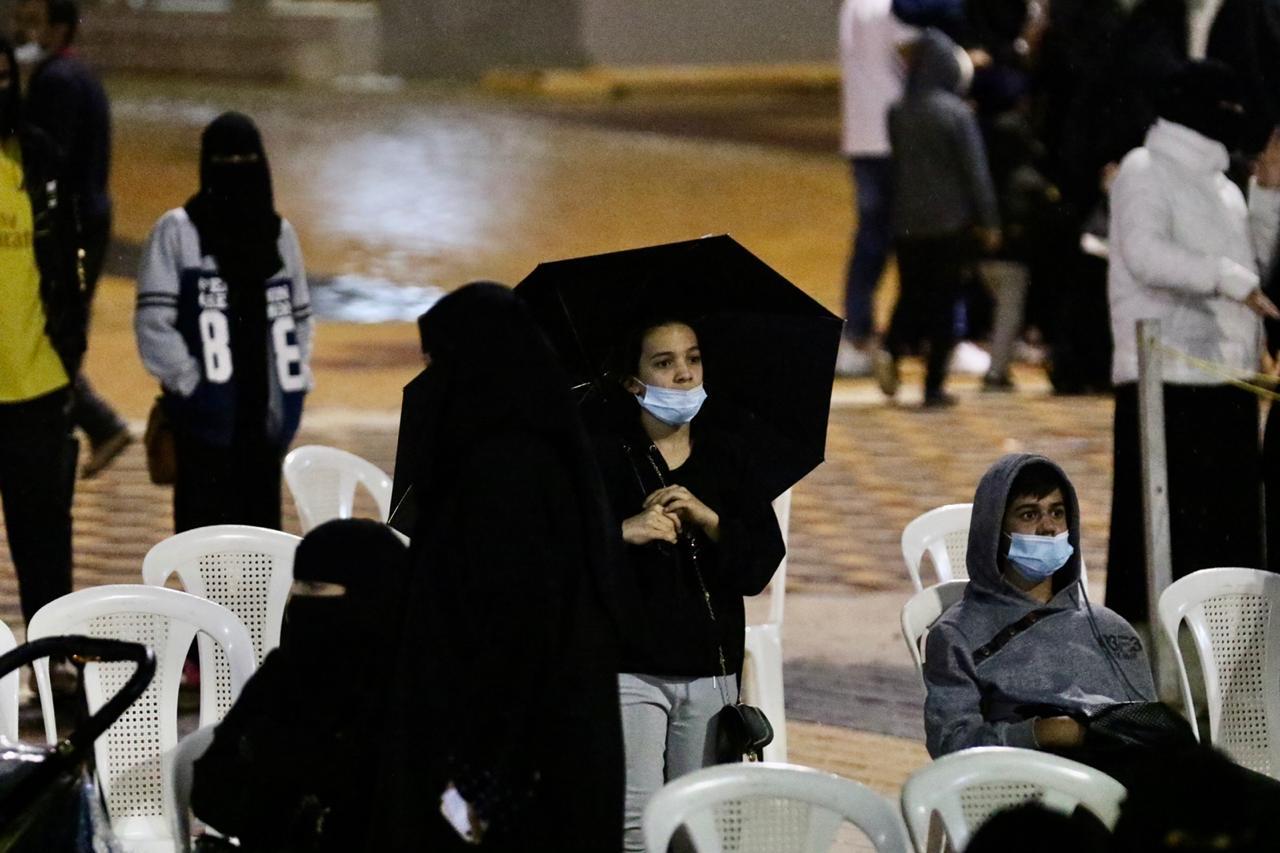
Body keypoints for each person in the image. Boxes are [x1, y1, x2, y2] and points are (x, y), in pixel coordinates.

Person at [370, 283, 624, 851]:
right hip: (554, 751)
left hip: (509, 765)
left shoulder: (502, 473)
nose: (434, 378)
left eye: (439, 361)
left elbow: (507, 634)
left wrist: (475, 781)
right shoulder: (549, 455)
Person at [592, 315, 785, 851]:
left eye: (693, 358)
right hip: (628, 666)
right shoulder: (602, 457)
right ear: (633, 383)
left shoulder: (728, 454)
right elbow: (559, 556)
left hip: (709, 668)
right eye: (664, 362)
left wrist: (712, 521)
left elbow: (758, 566)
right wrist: (622, 532)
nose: (683, 374)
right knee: (636, 825)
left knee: (697, 827)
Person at [1105, 61, 1280, 623]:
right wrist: (1228, 279)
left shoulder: (1222, 186)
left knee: (1228, 534)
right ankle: (1155, 657)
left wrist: (1267, 192)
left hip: (1226, 374)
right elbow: (1145, 254)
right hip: (1165, 380)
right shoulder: (1144, 169)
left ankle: (1223, 657)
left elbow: (1251, 263)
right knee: (1163, 534)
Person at [135, 111, 312, 533]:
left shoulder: (278, 235)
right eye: (225, 160)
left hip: (265, 425)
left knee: (260, 548)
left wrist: (292, 389)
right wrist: (193, 386)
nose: (236, 170)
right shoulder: (178, 232)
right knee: (202, 545)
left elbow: (300, 318)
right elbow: (154, 322)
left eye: (245, 159)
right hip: (201, 431)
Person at [192, 519, 410, 852]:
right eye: (296, 585)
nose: (296, 599)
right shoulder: (283, 675)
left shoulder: (409, 695)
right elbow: (210, 791)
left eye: (314, 587)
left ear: (370, 596)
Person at [924, 454, 1156, 759]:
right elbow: (951, 745)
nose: (1048, 527)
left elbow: (1151, 727)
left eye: (1057, 513)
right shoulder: (958, 635)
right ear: (995, 531)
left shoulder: (1110, 627)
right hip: (1039, 776)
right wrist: (1040, 733)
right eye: (1029, 514)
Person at [16, 0, 129, 477]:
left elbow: (47, 159)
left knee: (49, 333)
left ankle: (96, 424)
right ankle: (94, 425)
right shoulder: (79, 73)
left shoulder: (57, 80)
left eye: (34, 22)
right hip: (89, 220)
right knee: (55, 331)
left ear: (58, 27)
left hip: (71, 229)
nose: (26, 30)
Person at [0, 36, 84, 634]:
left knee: (44, 540)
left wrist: (70, 348)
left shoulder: (39, 156)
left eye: (3, 77)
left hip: (37, 386)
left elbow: (71, 260)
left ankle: (54, 658)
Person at [876, 28, 1000, 407]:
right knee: (945, 303)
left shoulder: (898, 112)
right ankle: (933, 386)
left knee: (911, 293)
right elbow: (975, 173)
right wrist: (989, 221)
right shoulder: (956, 114)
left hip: (907, 223)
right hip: (949, 224)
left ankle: (891, 348)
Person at [837, 0, 915, 375]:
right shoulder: (889, 8)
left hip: (862, 137)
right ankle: (913, 334)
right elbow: (917, 56)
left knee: (869, 239)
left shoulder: (853, 6)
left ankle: (858, 333)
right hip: (895, 139)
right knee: (916, 238)